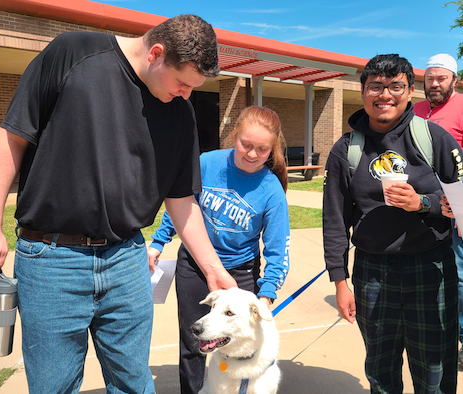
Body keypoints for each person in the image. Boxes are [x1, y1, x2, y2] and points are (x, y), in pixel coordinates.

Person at [0, 14, 237, 394]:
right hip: (52, 260)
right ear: (156, 53)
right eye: (183, 83)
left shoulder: (180, 111)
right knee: (54, 386)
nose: (187, 95)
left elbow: (181, 199)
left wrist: (214, 270)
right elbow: (11, 139)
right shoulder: (72, 53)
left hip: (126, 261)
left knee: (134, 383)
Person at [323, 54, 463, 393]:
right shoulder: (346, 150)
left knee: (434, 368)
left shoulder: (435, 139)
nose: (385, 95)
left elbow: (461, 202)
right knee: (381, 369)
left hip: (430, 268)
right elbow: (335, 219)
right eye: (376, 87)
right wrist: (340, 282)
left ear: (410, 91)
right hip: (372, 272)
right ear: (362, 92)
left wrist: (423, 204)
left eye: (395, 86)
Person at [147, 106, 290, 394]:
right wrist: (158, 242)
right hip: (194, 266)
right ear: (234, 136)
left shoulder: (271, 189)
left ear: (272, 149)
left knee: (237, 345)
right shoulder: (207, 163)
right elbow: (182, 205)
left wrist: (267, 294)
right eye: (245, 144)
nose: (251, 154)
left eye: (262, 149)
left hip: (239, 273)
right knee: (195, 342)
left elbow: (278, 248)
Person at [414, 53, 463, 363]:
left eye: (440, 78)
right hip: (421, 206)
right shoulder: (415, 110)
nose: (434, 83)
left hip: (456, 202)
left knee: (459, 273)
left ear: (454, 81)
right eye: (429, 78)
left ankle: (459, 337)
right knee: (426, 269)